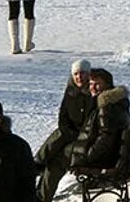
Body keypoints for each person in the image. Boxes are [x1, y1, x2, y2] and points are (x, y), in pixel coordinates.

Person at [35, 59, 95, 200]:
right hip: (72, 136)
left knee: (56, 160)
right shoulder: (71, 92)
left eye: (82, 73)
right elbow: (63, 117)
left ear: (89, 75)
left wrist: (75, 135)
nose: (79, 77)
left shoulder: (94, 93)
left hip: (86, 141)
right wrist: (70, 133)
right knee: (58, 140)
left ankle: (38, 168)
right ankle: (39, 188)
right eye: (76, 74)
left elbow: (93, 124)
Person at [61, 69, 130, 177]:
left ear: (107, 85)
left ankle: (40, 192)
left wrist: (87, 157)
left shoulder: (106, 106)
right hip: (109, 157)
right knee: (58, 149)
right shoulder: (112, 101)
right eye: (90, 84)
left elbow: (106, 138)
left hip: (105, 161)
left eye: (97, 84)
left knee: (56, 157)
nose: (92, 88)